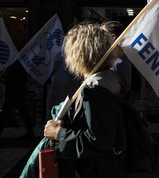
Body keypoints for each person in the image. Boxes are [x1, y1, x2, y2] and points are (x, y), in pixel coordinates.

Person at [43, 23, 127, 178]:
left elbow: (100, 139)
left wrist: (58, 133)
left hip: (100, 169)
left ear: (79, 54)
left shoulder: (94, 89)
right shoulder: (107, 78)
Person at [101, 21, 140, 104]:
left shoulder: (117, 65)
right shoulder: (123, 61)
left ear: (113, 37)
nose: (98, 39)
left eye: (101, 35)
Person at [0, 60, 34, 139]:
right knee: (24, 113)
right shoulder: (21, 64)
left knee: (5, 114)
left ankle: (30, 132)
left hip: (13, 92)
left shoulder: (12, 65)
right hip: (20, 91)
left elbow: (9, 79)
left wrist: (3, 81)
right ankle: (30, 132)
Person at [44, 51, 68, 122]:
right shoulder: (63, 53)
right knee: (50, 100)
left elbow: (55, 67)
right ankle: (48, 119)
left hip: (58, 79)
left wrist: (47, 77)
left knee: (60, 101)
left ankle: (64, 120)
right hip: (58, 79)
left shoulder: (58, 54)